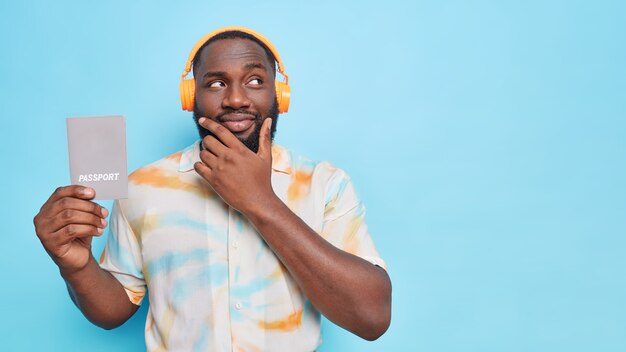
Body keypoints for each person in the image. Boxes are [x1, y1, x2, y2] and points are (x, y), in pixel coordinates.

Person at [33, 27, 392, 351]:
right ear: (191, 95)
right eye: (216, 83)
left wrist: (260, 202)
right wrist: (76, 267)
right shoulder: (143, 187)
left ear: (279, 94)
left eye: (254, 81)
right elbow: (113, 310)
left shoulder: (324, 183)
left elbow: (372, 318)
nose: (236, 99)